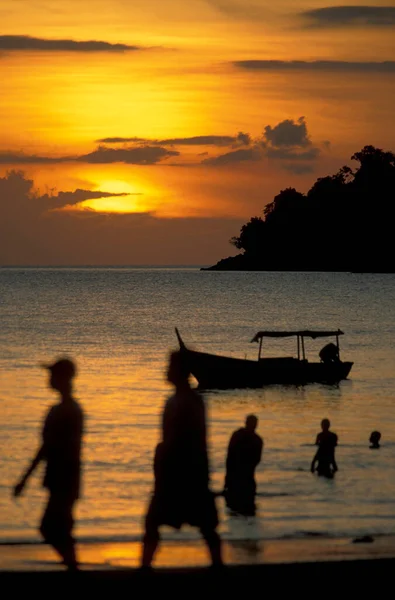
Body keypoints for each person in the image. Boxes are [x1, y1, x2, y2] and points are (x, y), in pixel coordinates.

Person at [141, 351, 222, 567]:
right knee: (203, 526)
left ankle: (145, 569)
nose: (166, 370)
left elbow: (185, 441)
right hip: (181, 475)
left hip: (182, 476)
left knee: (157, 523)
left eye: (170, 366)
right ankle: (145, 568)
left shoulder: (187, 403)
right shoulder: (182, 401)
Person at [13, 358, 84, 570]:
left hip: (64, 477)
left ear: (62, 378)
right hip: (64, 477)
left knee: (51, 527)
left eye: (52, 374)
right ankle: (72, 567)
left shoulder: (66, 410)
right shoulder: (67, 409)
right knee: (59, 528)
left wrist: (24, 480)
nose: (49, 378)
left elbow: (48, 448)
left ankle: (73, 568)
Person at [224, 415, 263, 516]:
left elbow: (229, 458)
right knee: (247, 509)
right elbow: (256, 460)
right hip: (245, 479)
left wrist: (227, 478)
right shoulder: (256, 439)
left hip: (239, 479)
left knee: (234, 509)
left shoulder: (239, 436)